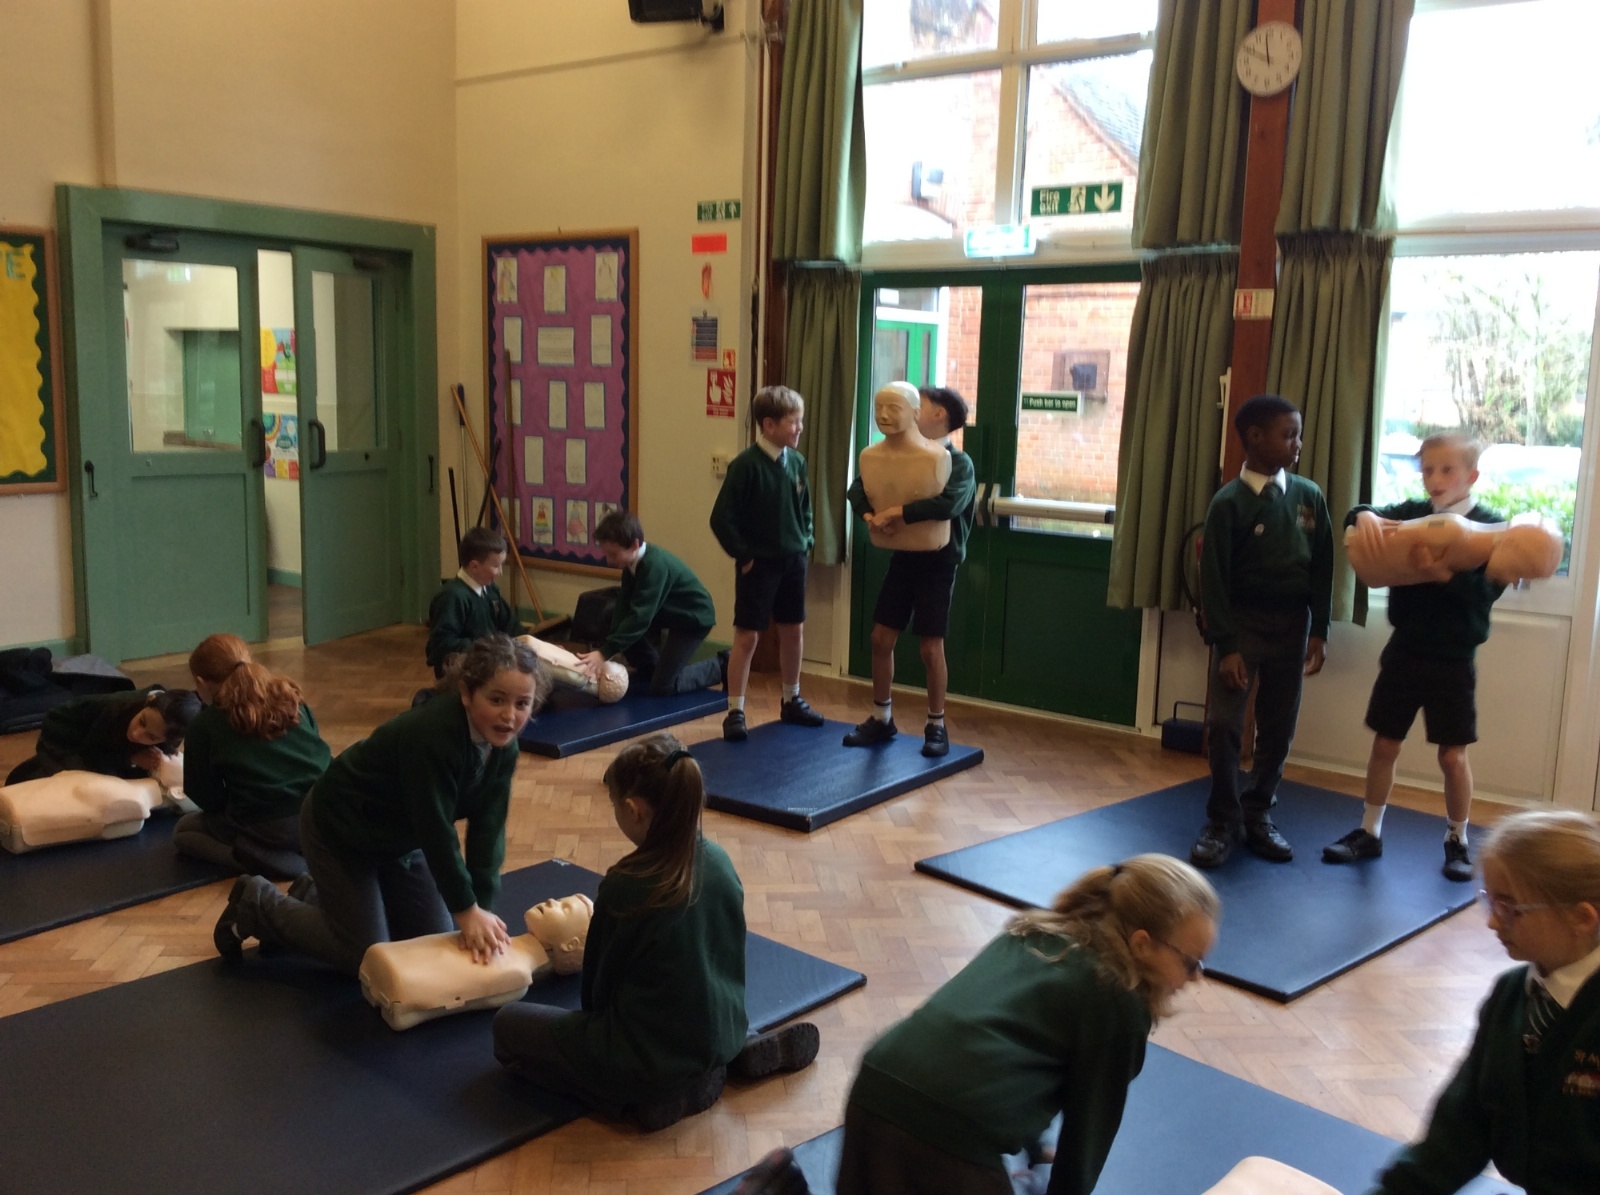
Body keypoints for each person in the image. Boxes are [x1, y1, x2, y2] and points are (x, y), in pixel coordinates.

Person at [833, 853, 1217, 1195]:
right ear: (1142, 944)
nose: (1197, 976)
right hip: (952, 1132)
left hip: (876, 1085)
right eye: (1191, 962)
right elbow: (1086, 1139)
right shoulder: (1119, 1005)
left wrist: (1036, 1146)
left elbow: (1005, 1046)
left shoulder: (1032, 932)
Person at [493, 732, 819, 1131]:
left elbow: (597, 993)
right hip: (723, 1028)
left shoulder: (626, 885)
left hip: (647, 1060)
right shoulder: (719, 862)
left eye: (614, 806)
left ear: (634, 810)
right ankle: (737, 1048)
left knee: (508, 1027)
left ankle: (643, 1098)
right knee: (690, 1005)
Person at [212, 634, 548, 974]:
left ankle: (314, 893)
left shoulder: (503, 747)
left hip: (400, 839)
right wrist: (466, 909)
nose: (509, 715)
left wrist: (480, 909)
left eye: (522, 704)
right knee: (364, 954)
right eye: (497, 699)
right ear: (466, 693)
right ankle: (257, 904)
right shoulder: (433, 734)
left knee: (435, 939)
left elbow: (489, 830)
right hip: (343, 829)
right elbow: (435, 828)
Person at [1369, 809, 1600, 1195]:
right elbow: (1457, 1135)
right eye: (1489, 903)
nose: (1493, 922)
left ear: (1582, 918)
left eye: (1510, 908)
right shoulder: (1510, 996)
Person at [1324, 434, 1505, 882]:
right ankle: (1369, 831)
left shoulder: (1490, 527)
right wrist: (1363, 515)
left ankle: (1457, 839)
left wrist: (1440, 574)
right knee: (1385, 744)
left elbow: (1486, 594)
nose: (1434, 479)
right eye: (1427, 470)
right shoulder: (1411, 514)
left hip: (1454, 660)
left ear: (1472, 476)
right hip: (1404, 652)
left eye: (1446, 470)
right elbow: (1357, 513)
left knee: (1452, 757)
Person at [1192, 394, 1333, 869]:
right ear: (1254, 438)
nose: (1298, 444)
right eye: (1288, 435)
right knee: (1225, 724)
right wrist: (1227, 645)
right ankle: (1221, 819)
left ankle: (1258, 811)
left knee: (1278, 724)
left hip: (1293, 626)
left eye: (1299, 435)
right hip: (1242, 626)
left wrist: (1319, 629)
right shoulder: (1228, 504)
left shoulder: (1309, 496)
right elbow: (1213, 580)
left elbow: (1323, 567)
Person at [843, 385, 976, 758]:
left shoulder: (959, 463)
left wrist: (897, 513)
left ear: (937, 415)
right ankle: (881, 717)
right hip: (903, 556)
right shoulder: (889, 456)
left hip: (939, 562)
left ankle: (936, 724)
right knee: (880, 638)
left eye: (922, 404)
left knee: (930, 647)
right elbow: (858, 488)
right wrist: (870, 516)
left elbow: (947, 504)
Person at [709, 385, 824, 742]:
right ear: (769, 424)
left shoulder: (797, 463)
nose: (800, 428)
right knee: (748, 636)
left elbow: (805, 510)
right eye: (793, 422)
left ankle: (792, 699)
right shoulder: (746, 466)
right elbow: (721, 519)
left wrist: (806, 541)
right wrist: (744, 555)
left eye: (800, 421)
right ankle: (735, 710)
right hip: (758, 565)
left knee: (793, 630)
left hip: (793, 560)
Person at [172, 633, 332, 878]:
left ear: (201, 682)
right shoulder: (293, 699)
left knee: (185, 831)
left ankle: (264, 860)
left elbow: (208, 798)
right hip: (326, 810)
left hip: (271, 824)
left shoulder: (205, 725)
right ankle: (312, 852)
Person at [578, 510, 725, 697]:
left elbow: (640, 618)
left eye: (613, 555)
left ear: (634, 545)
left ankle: (723, 665)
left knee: (663, 686)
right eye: (606, 555)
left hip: (693, 619)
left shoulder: (654, 566)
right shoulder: (631, 565)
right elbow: (623, 607)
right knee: (610, 613)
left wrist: (604, 653)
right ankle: (651, 667)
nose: (609, 561)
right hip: (668, 612)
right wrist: (607, 649)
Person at [4, 686, 200, 787]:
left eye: (151, 737)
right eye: (141, 721)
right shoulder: (115, 709)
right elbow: (92, 753)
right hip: (65, 735)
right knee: (74, 781)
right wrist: (130, 758)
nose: (137, 733)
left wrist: (160, 760)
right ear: (150, 700)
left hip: (106, 745)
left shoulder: (172, 732)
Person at [425, 526, 526, 676]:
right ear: (474, 566)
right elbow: (440, 644)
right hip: (464, 674)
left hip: (491, 664)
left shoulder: (490, 590)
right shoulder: (452, 596)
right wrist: (487, 647)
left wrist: (536, 644)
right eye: (496, 566)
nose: (500, 572)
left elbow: (511, 626)